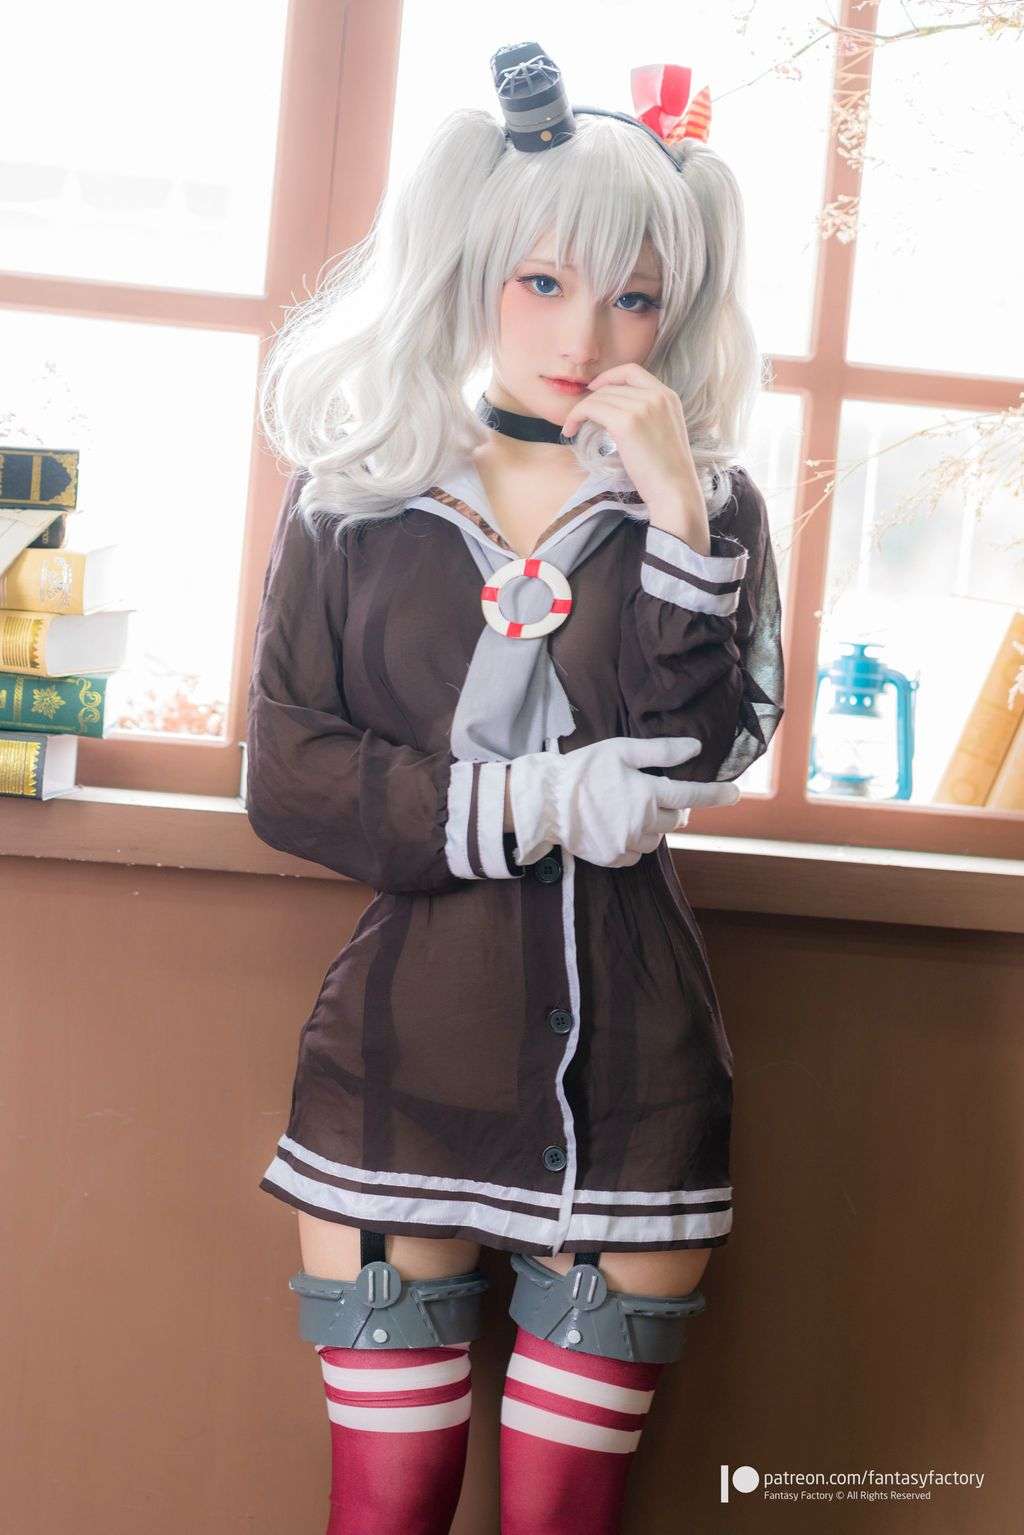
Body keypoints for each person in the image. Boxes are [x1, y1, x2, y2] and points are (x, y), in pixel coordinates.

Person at [246, 41, 785, 1535]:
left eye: (634, 299)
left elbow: (693, 753)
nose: (585, 333)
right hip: (395, 1076)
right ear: (474, 265)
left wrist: (674, 511)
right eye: (543, 282)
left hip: (638, 1089)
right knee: (386, 1509)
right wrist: (539, 802)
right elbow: (288, 774)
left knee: (564, 1522)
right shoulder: (359, 494)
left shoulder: (712, 508)